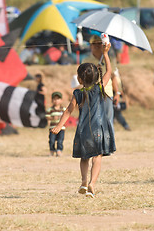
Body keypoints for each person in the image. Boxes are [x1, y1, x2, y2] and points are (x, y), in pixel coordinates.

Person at [51, 42, 115, 198]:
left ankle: (84, 182)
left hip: (84, 131)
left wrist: (59, 126)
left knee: (84, 158)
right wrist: (106, 53)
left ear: (80, 78)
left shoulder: (78, 94)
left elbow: (68, 111)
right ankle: (93, 183)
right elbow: (110, 71)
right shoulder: (100, 88)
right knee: (97, 157)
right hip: (99, 129)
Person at [83, 35, 120, 126]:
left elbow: (113, 76)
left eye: (99, 43)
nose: (96, 45)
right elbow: (84, 79)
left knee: (108, 121)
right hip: (92, 93)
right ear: (90, 45)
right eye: (94, 43)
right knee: (94, 121)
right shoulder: (86, 60)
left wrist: (117, 93)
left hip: (107, 93)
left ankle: (109, 140)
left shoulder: (109, 58)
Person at [46, 92, 66, 157]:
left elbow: (66, 115)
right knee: (52, 140)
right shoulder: (50, 109)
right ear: (52, 100)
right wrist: (52, 118)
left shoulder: (63, 109)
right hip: (53, 128)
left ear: (61, 100)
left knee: (60, 140)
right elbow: (47, 116)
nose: (56, 101)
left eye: (57, 99)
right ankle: (52, 150)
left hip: (61, 128)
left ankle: (59, 150)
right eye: (54, 99)